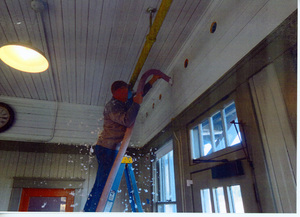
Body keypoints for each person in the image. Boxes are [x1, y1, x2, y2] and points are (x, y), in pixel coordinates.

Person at [83, 75, 161, 212]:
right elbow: (127, 120)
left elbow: (139, 94)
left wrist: (153, 80)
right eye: (126, 92)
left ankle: (88, 210)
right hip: (106, 148)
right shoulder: (112, 106)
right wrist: (136, 104)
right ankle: (92, 212)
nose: (129, 95)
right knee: (104, 183)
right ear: (116, 92)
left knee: (101, 182)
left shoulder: (123, 102)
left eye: (128, 92)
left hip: (109, 148)